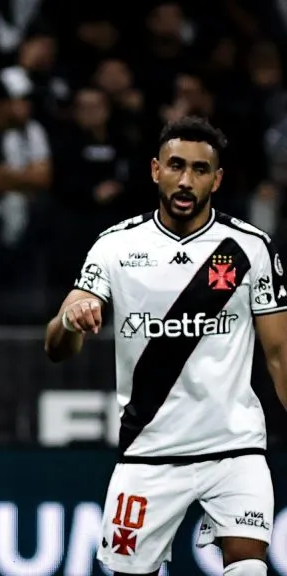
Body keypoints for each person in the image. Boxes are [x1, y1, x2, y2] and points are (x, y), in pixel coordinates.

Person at [44, 117, 287, 576]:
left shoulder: (249, 249)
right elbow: (57, 345)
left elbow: (279, 354)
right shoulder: (115, 247)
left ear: (216, 180)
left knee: (249, 565)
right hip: (148, 452)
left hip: (234, 446)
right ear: (156, 170)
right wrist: (71, 320)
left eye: (199, 170)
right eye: (177, 166)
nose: (186, 179)